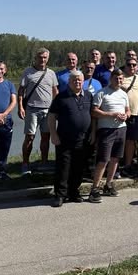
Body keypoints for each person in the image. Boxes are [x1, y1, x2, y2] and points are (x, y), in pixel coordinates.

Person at [47, 71, 93, 207]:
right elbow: (51, 116)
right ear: (69, 82)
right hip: (64, 139)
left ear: (83, 81)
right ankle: (60, 195)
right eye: (74, 80)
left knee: (78, 167)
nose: (77, 82)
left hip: (83, 139)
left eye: (79, 80)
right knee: (63, 168)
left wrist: (93, 133)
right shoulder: (61, 97)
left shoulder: (89, 95)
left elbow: (93, 115)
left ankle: (73, 192)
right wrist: (53, 134)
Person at [88, 69, 130, 203]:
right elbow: (94, 111)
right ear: (111, 78)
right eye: (116, 78)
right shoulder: (102, 92)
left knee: (115, 159)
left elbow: (128, 110)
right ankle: (94, 189)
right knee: (103, 160)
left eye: (121, 78)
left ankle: (109, 184)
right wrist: (111, 115)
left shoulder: (124, 94)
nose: (118, 81)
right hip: (106, 130)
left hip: (121, 129)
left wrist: (126, 115)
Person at [18, 47, 59, 175]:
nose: (42, 59)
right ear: (35, 58)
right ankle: (25, 163)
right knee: (30, 137)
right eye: (40, 57)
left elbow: (55, 92)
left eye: (45, 57)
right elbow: (21, 91)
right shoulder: (28, 72)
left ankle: (44, 162)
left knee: (46, 137)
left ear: (48, 58)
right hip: (32, 109)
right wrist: (20, 107)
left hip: (48, 110)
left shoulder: (51, 73)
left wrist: (57, 108)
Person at [120, 57, 138, 177]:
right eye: (129, 64)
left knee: (131, 141)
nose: (132, 67)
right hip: (121, 114)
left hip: (135, 114)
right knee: (120, 140)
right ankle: (117, 165)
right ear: (125, 66)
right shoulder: (120, 78)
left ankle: (128, 165)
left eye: (134, 65)